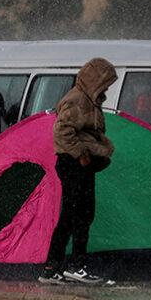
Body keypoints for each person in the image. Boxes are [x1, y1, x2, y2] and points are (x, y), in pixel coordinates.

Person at [39, 58, 117, 285]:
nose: (107, 90)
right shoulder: (77, 101)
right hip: (74, 164)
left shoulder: (87, 100)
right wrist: (82, 154)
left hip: (76, 164)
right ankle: (76, 266)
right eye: (105, 85)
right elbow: (62, 131)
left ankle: (52, 268)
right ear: (96, 81)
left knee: (72, 216)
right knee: (79, 215)